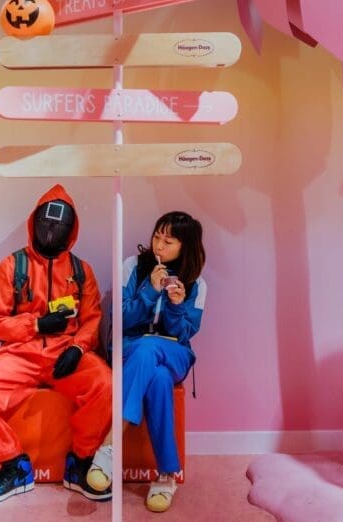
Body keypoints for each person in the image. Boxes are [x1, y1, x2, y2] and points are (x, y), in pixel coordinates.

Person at [0, 184, 112, 504]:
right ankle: (12, 465)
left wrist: (78, 348)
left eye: (59, 225)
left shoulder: (82, 271)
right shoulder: (10, 267)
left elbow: (92, 319)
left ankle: (79, 464)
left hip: (66, 352)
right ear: (32, 223)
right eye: (45, 223)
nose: (51, 231)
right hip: (19, 352)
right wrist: (36, 324)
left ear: (72, 229)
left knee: (106, 385)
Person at [122, 211, 206, 513]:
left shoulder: (197, 283)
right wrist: (149, 291)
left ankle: (110, 444)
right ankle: (167, 473)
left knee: (150, 349)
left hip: (175, 353)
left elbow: (184, 334)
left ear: (185, 247)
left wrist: (175, 305)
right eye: (157, 236)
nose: (159, 245)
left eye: (168, 241)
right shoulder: (133, 267)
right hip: (133, 350)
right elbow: (121, 319)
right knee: (156, 378)